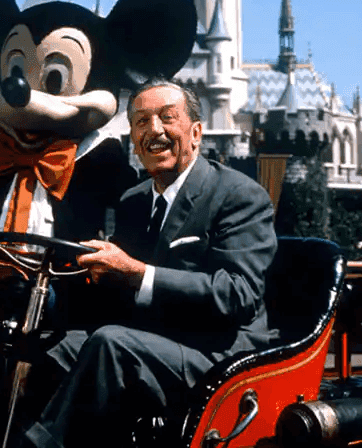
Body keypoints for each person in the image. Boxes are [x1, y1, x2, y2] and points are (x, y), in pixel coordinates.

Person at [21, 79, 278, 448]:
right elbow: (118, 289)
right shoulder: (134, 201)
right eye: (141, 122)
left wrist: (135, 272)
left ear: (196, 132)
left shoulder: (238, 195)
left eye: (167, 118)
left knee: (110, 346)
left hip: (220, 351)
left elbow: (238, 294)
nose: (154, 130)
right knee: (57, 347)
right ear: (133, 141)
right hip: (154, 341)